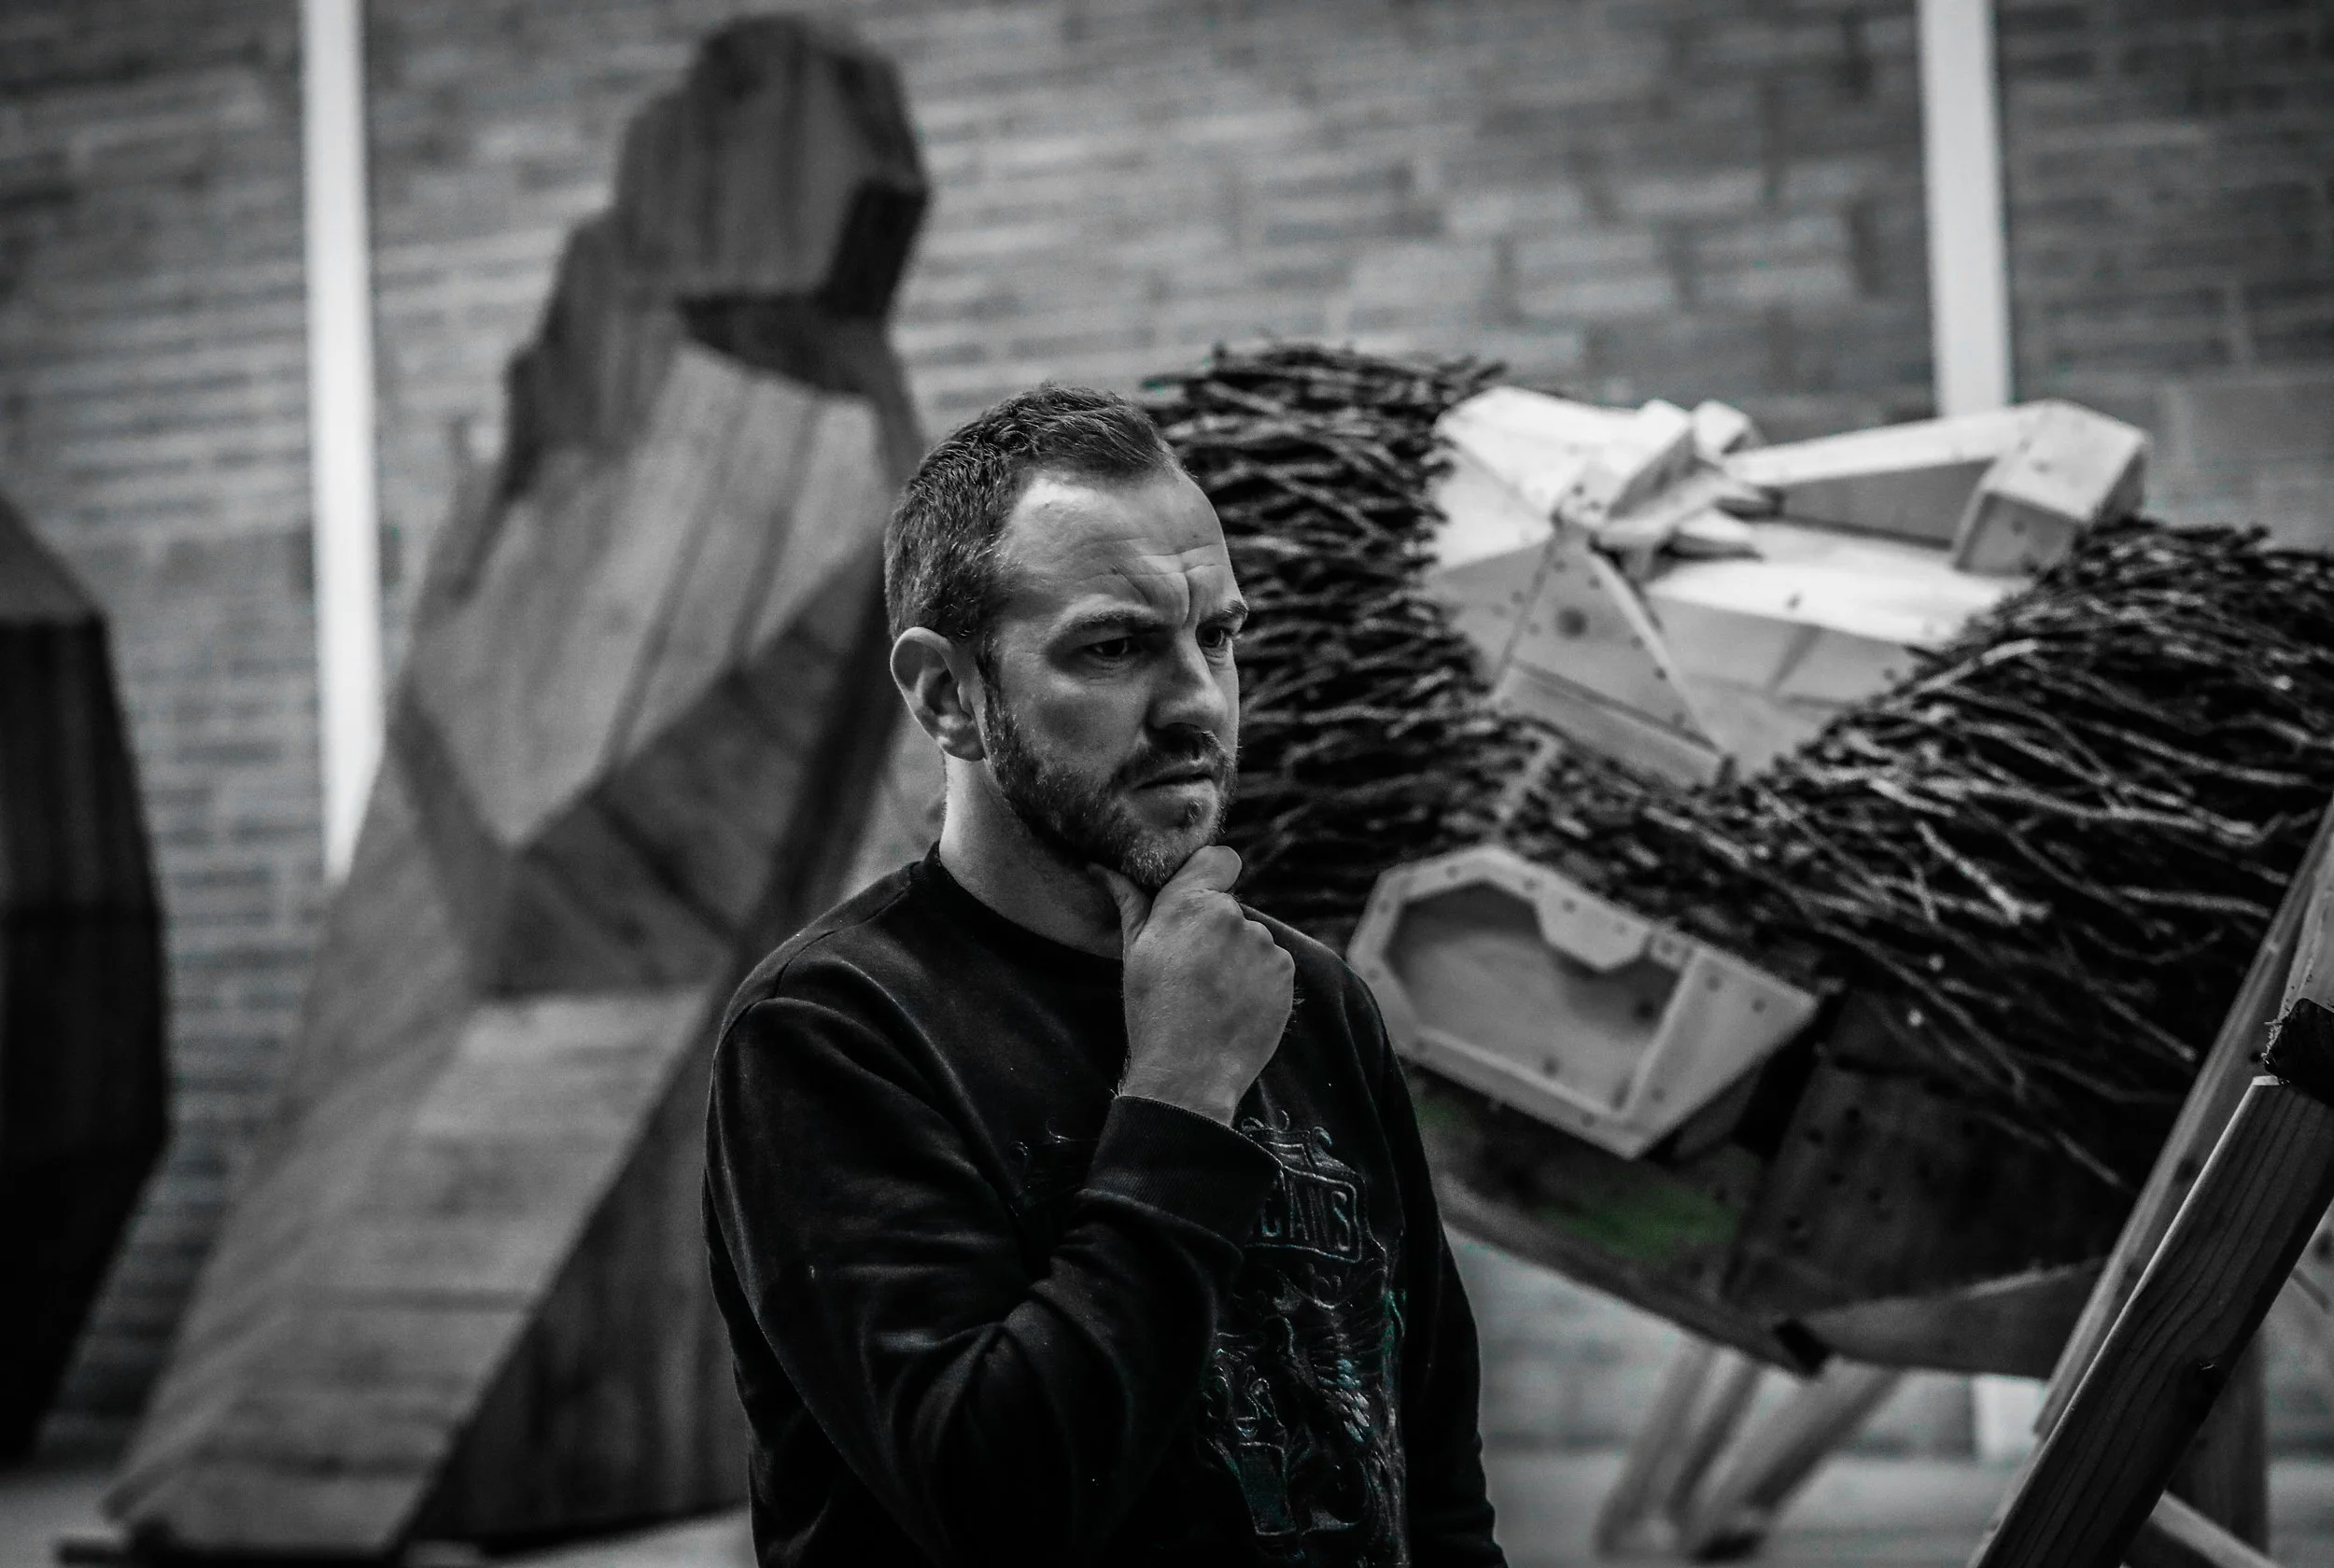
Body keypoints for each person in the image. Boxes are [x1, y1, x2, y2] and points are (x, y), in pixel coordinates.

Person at [703, 384, 1506, 1567]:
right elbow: (998, 1504)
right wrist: (1181, 1089)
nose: (1197, 704)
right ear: (947, 695)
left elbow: (1432, 1477)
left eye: (1218, 636)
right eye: (1116, 646)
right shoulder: (831, 1032)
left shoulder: (1311, 997)